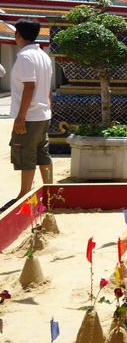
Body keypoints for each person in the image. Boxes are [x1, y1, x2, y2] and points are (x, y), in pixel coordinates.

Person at [3, 18, 53, 210]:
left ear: (18, 35)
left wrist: (21, 116)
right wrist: (49, 108)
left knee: (25, 154)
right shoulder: (43, 56)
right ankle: (50, 192)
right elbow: (47, 87)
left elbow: (29, 87)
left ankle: (24, 194)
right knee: (42, 154)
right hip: (42, 114)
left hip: (30, 116)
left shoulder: (25, 57)